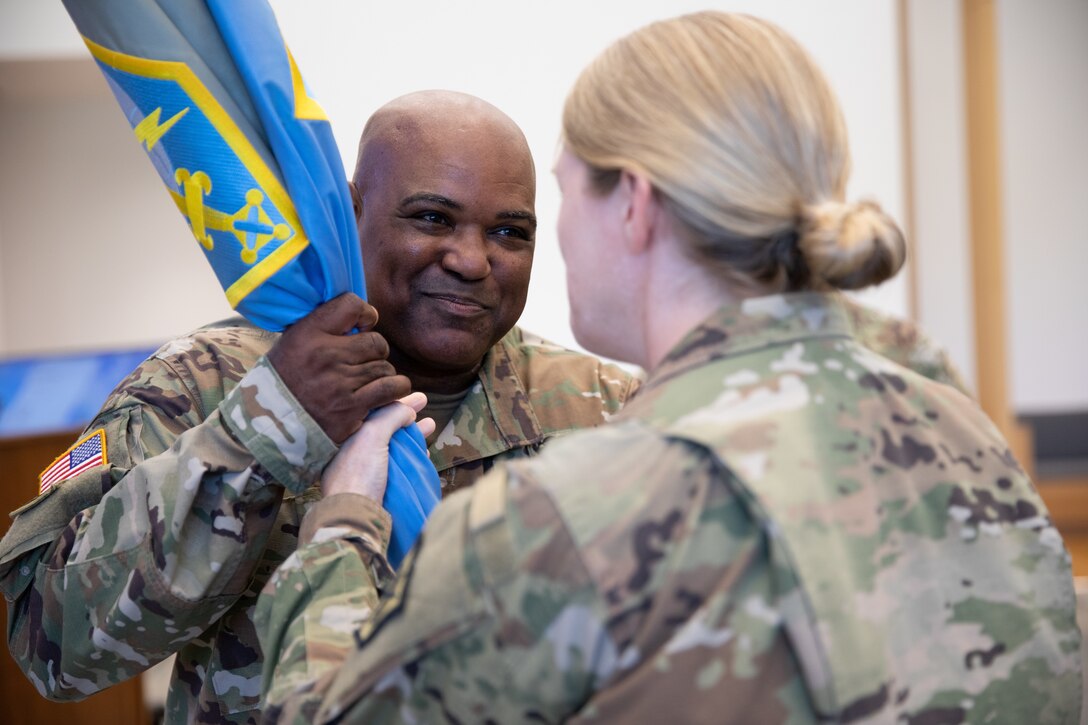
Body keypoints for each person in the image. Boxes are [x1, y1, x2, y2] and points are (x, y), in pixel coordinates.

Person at [255, 12, 1082, 724]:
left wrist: (346, 523)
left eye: (560, 197)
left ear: (636, 204)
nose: (490, 256)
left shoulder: (569, 513)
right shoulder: (951, 416)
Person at [0, 91, 638, 725]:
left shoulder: (607, 409)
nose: (472, 260)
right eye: (432, 219)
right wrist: (266, 428)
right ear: (349, 214)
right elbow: (50, 646)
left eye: (508, 232)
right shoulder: (200, 384)